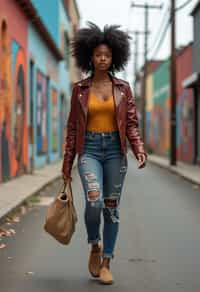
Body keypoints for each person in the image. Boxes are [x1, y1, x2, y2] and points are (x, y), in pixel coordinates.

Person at [62, 22, 147, 285]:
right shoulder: (80, 89)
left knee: (111, 209)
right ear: (90, 56)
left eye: (107, 55)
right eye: (98, 54)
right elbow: (73, 128)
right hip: (88, 150)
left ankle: (107, 261)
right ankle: (94, 245)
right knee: (94, 202)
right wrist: (67, 164)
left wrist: (139, 148)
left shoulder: (123, 88)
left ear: (114, 58)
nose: (102, 58)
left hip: (114, 151)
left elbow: (131, 122)